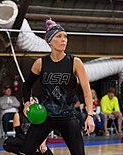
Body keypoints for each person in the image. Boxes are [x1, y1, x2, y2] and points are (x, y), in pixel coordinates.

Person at [21, 18, 95, 155]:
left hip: (68, 115)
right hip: (45, 116)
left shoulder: (75, 62)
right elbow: (27, 86)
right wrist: (26, 103)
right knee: (25, 152)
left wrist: (90, 115)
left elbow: (87, 92)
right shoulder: (40, 63)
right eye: (59, 36)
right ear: (50, 41)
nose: (64, 40)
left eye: (65, 37)